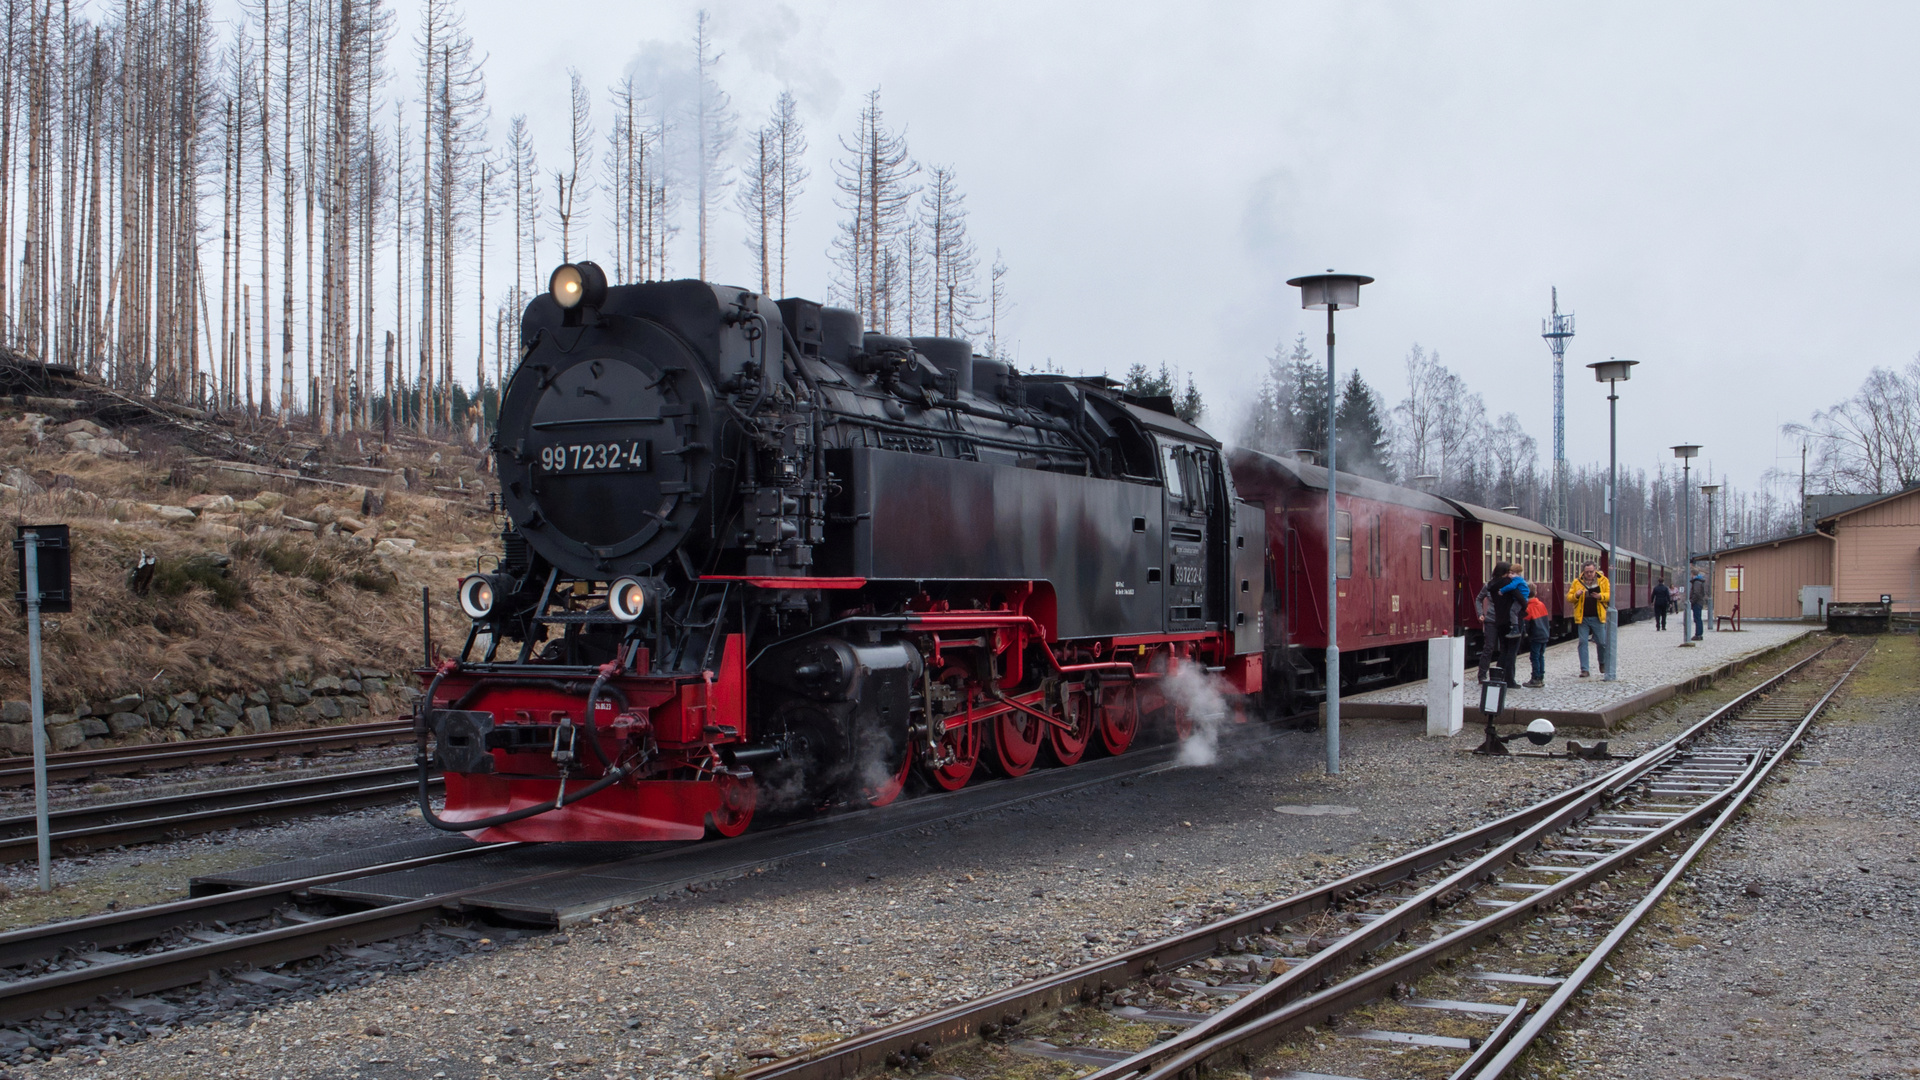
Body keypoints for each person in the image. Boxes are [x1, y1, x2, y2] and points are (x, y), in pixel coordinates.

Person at [1567, 561, 1610, 677]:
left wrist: (1600, 596)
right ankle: (1584, 669)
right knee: (1582, 642)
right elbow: (1569, 597)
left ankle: (1602, 663)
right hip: (1583, 617)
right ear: (1583, 572)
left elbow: (1609, 595)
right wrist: (1576, 595)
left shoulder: (1603, 580)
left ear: (1595, 570)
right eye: (1587, 572)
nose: (1589, 574)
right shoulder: (1577, 582)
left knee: (1602, 642)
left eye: (1591, 572)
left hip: (1598, 616)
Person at [1490, 562, 1524, 688]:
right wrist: (1524, 607)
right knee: (1512, 651)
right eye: (1509, 571)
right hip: (1512, 621)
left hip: (1499, 620)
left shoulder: (1492, 585)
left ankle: (1498, 677)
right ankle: (1510, 680)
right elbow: (1520, 597)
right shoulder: (1507, 583)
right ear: (1505, 572)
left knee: (1503, 650)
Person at [1523, 593, 1550, 687]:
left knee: (1534, 657)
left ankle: (1535, 678)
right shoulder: (1541, 604)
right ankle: (1541, 677)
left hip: (1536, 636)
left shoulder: (1529, 608)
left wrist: (1526, 634)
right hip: (1544, 634)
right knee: (1540, 656)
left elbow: (1526, 625)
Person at [1689, 571, 1708, 640]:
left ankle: (1698, 634)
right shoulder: (1700, 582)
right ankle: (1699, 634)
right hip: (1699, 602)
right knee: (1698, 618)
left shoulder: (1696, 582)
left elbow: (1696, 593)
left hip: (1697, 603)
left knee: (1697, 619)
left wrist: (1692, 601)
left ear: (1693, 574)